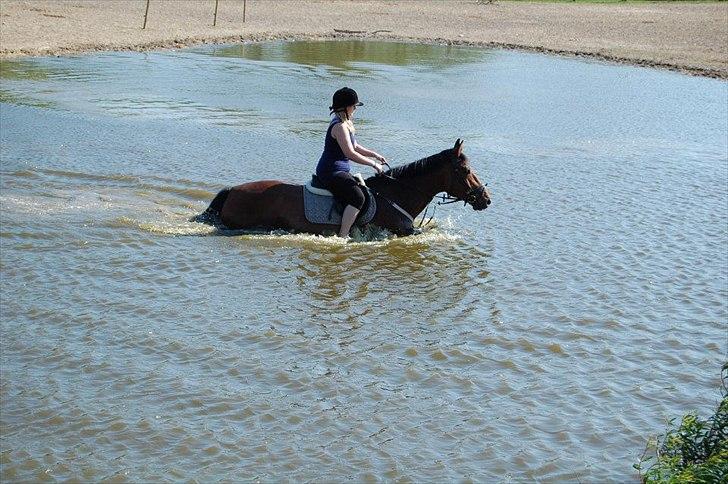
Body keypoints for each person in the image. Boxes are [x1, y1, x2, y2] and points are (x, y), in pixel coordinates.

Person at [316, 87, 387, 238]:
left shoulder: (345, 123)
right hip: (331, 171)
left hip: (339, 170)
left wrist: (375, 155)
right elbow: (350, 153)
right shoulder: (339, 126)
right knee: (358, 197)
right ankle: (343, 235)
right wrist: (373, 165)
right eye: (354, 105)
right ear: (345, 107)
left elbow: (355, 146)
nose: (355, 108)